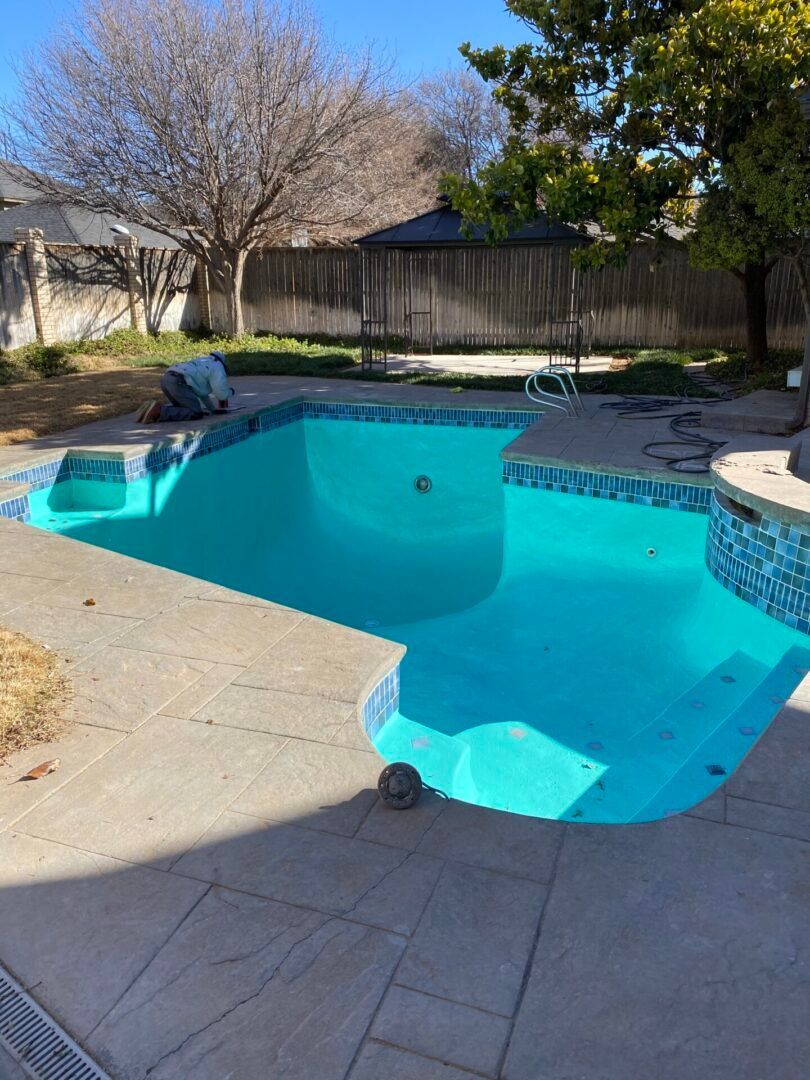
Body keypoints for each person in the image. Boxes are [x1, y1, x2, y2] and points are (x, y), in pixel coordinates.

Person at [135, 351, 235, 423]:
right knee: (195, 413)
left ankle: (148, 410)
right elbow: (221, 394)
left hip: (167, 378)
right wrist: (230, 392)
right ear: (223, 362)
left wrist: (212, 409)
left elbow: (203, 394)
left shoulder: (202, 362)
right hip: (178, 382)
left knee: (182, 409)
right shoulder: (217, 366)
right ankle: (159, 410)